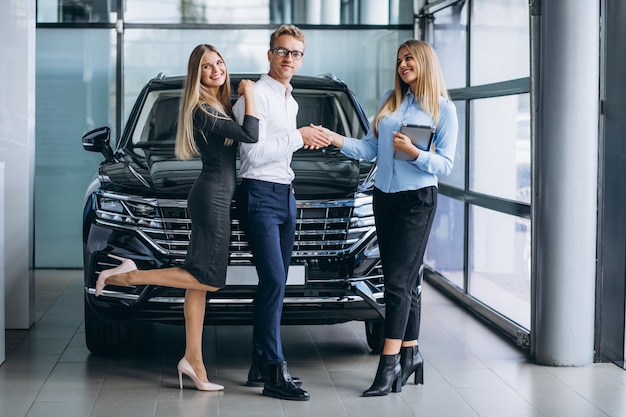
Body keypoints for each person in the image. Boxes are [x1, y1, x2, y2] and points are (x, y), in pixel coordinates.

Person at [94, 44, 259, 392]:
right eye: (205, 67)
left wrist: (241, 96)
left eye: (218, 63)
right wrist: (251, 92)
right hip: (210, 198)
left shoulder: (220, 105)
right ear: (196, 75)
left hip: (213, 195)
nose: (215, 70)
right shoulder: (202, 108)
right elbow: (250, 136)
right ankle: (129, 275)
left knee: (195, 286)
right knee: (210, 280)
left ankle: (193, 362)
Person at [314, 39, 458, 397]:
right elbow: (367, 148)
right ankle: (411, 354)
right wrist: (334, 139)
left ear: (424, 62)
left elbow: (446, 164)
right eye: (399, 60)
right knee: (407, 282)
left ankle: (388, 364)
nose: (403, 64)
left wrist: (414, 153)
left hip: (417, 201)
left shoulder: (442, 109)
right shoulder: (389, 102)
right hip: (384, 198)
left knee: (394, 283)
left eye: (409, 58)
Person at [232, 24, 330, 401]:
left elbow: (280, 149)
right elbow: (251, 154)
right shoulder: (252, 97)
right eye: (283, 51)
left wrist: (308, 139)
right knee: (274, 281)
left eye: (296, 53)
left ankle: (259, 363)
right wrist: (297, 137)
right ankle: (275, 372)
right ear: (270, 54)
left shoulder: (291, 101)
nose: (289, 59)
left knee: (274, 284)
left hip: (285, 194)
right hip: (258, 194)